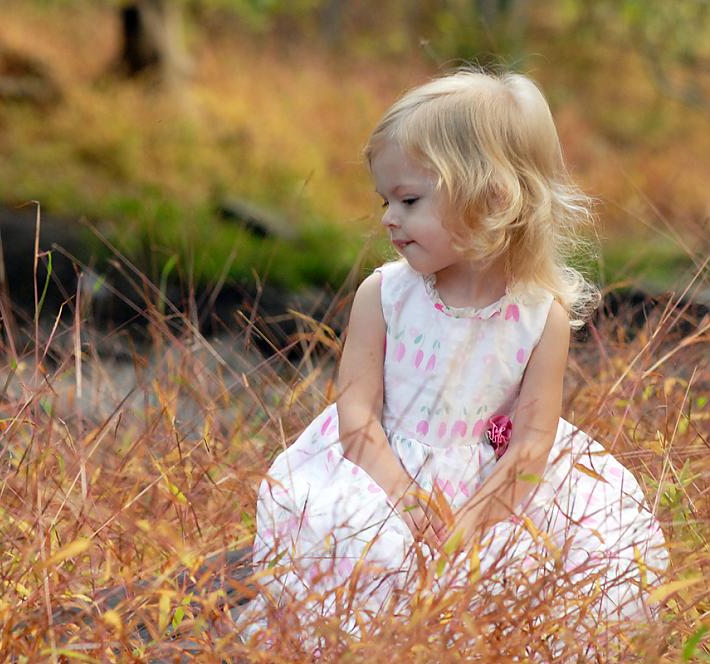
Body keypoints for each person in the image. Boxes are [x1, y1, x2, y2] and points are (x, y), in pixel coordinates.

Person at [235, 67, 669, 653]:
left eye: (409, 199)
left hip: (497, 488)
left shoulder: (541, 313)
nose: (388, 217)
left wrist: (469, 521)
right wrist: (408, 501)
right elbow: (356, 414)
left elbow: (533, 443)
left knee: (535, 556)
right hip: (383, 469)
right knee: (359, 539)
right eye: (385, 199)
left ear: (492, 197)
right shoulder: (385, 295)